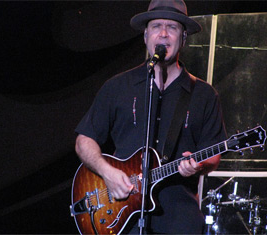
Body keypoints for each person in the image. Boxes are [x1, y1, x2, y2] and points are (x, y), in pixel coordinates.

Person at [75, 0, 226, 234]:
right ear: (146, 36)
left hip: (179, 218)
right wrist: (107, 172)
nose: (163, 33)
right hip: (121, 214)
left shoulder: (204, 95)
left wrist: (198, 165)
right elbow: (84, 140)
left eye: (172, 27)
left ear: (183, 38)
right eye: (156, 26)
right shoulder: (118, 86)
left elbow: (213, 154)